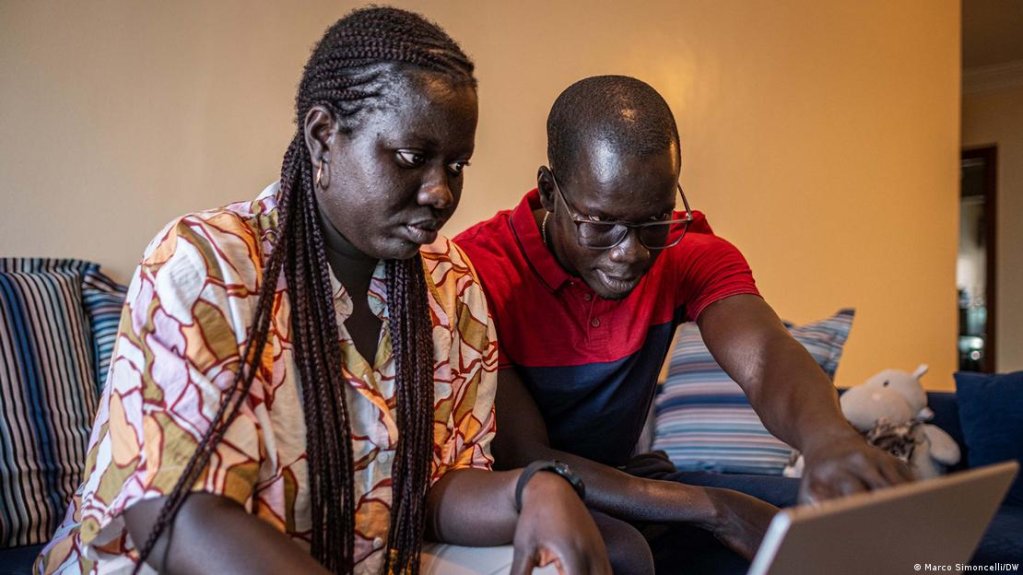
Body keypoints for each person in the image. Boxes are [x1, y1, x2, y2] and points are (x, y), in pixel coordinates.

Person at [34, 9, 610, 575]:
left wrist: (534, 491)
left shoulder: (450, 282)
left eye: (456, 165)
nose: (440, 192)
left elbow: (432, 489)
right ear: (323, 137)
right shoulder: (207, 264)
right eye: (412, 158)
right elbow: (176, 515)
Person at [454, 75, 914, 573]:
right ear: (550, 190)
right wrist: (716, 509)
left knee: (808, 537)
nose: (630, 252)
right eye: (601, 223)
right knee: (631, 553)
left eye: (654, 219)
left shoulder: (688, 252)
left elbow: (765, 358)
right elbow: (526, 453)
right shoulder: (476, 271)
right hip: (525, 491)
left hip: (629, 479)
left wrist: (829, 439)